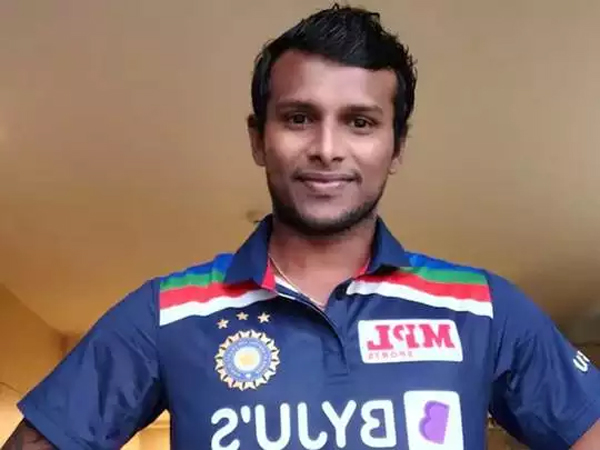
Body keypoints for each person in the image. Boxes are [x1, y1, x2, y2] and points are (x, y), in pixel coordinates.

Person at [3, 4, 600, 450]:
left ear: (396, 147)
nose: (327, 148)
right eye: (298, 118)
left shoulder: (484, 309)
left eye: (360, 122)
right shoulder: (165, 313)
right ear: (258, 139)